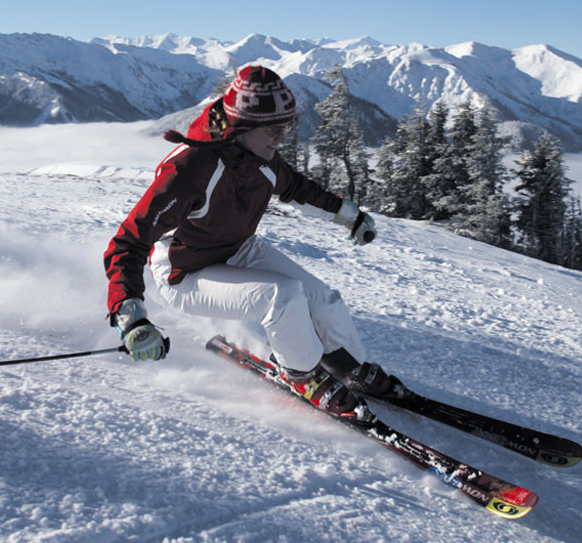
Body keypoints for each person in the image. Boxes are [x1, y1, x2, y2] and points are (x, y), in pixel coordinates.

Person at [103, 65, 393, 416]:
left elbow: (296, 188)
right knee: (281, 298)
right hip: (185, 271)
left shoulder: (261, 156)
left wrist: (349, 216)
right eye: (275, 128)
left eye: (287, 126)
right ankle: (303, 376)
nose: (283, 137)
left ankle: (348, 365)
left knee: (323, 300)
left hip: (238, 249)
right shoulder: (189, 170)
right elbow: (129, 241)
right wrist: (131, 317)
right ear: (243, 126)